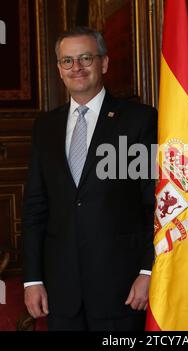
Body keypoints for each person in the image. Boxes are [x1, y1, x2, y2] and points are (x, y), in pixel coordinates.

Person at [22, 27, 157, 331]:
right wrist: (33, 278)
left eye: (85, 58)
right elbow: (35, 208)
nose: (77, 68)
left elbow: (154, 204)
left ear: (104, 63)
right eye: (67, 61)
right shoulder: (44, 127)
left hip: (122, 291)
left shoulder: (138, 121)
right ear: (59, 69)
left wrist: (148, 272)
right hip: (61, 292)